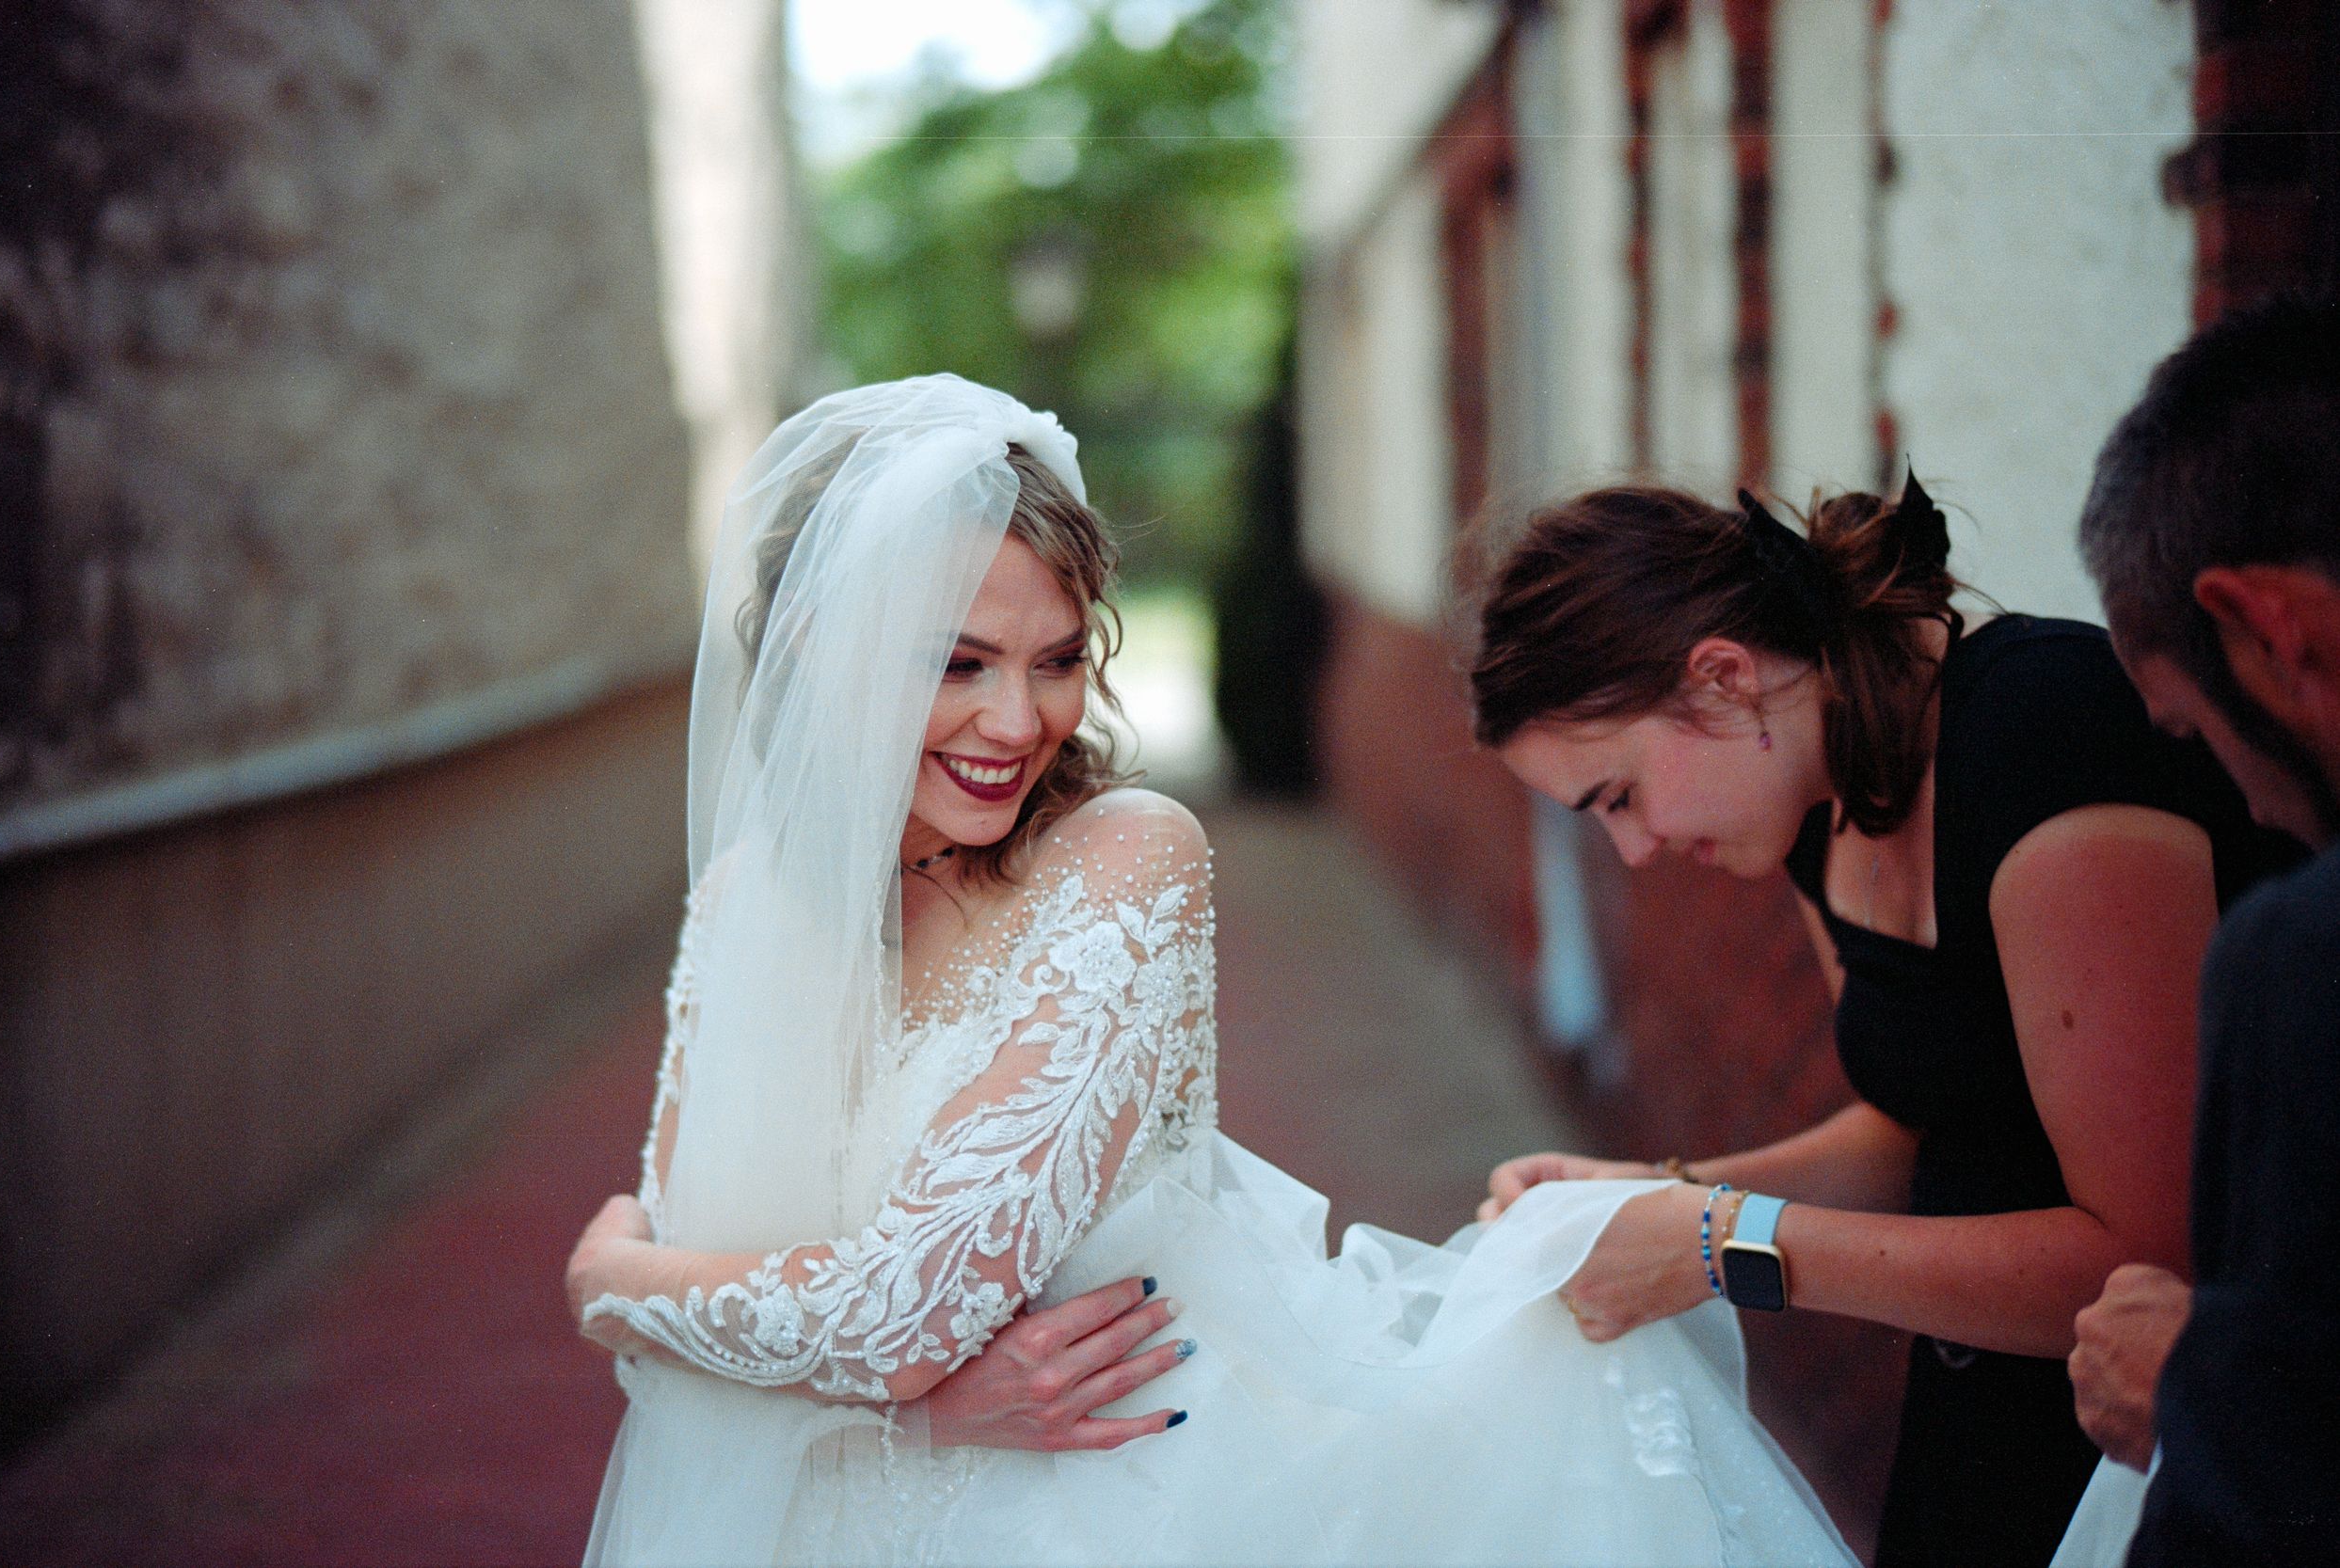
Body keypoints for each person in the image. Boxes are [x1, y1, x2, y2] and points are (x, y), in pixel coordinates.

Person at [562, 375, 1856, 1566]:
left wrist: (607, 1281)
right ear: (813, 658)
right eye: (956, 662)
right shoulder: (746, 900)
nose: (1017, 721)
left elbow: (892, 1309)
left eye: (1058, 659)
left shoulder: (1123, 862)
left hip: (1141, 1503)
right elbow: (755, 1276)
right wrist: (896, 1410)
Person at [1466, 477, 2296, 1568]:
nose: (1635, 849)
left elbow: (2144, 1257)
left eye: (1617, 796)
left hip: (2162, 1448)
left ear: (1722, 678)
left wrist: (1723, 1245)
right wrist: (1656, 1193)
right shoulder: (1818, 806)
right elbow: (1916, 1132)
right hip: (1978, 1415)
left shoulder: (2043, 736)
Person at [2057, 294, 2340, 1566]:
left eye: (2194, 732)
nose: (2246, 797)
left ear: (2275, 630)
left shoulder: (2304, 955)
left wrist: (2200, 1386)